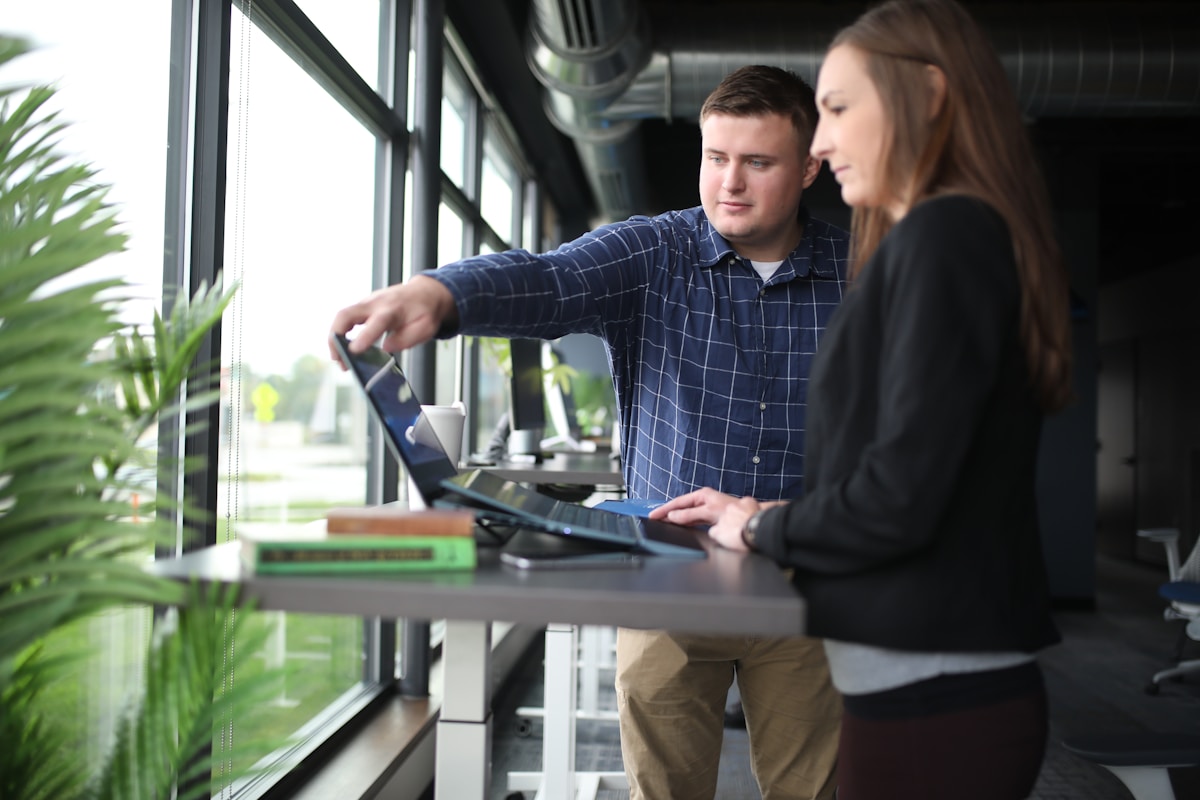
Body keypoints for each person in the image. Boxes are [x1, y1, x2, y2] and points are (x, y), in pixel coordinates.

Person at [330, 65, 847, 800]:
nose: (730, 182)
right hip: (667, 580)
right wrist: (440, 293)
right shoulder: (655, 252)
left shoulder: (862, 273)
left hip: (807, 579)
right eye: (715, 158)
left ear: (809, 167)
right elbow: (547, 280)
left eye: (758, 163)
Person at [649, 1, 1074, 798]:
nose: (819, 142)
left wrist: (760, 523)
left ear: (931, 95)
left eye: (838, 108)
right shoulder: (944, 239)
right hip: (916, 693)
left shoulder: (946, 239)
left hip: (935, 703)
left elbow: (896, 499)